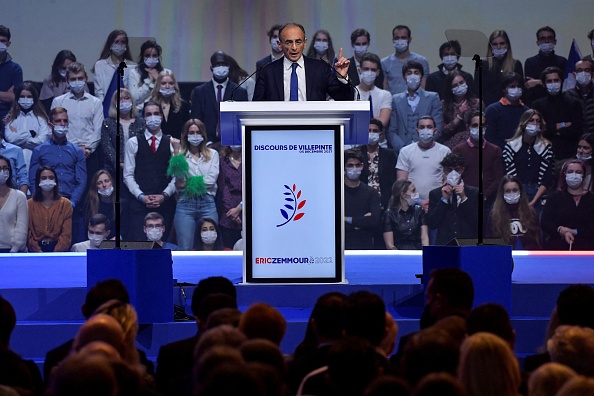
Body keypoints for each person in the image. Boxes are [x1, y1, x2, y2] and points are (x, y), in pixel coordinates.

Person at [253, 22, 353, 101]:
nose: (294, 47)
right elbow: (256, 108)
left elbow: (344, 98)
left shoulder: (320, 68)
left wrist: (342, 78)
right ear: (280, 45)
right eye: (289, 42)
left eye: (298, 42)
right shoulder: (267, 72)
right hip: (279, 126)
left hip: (313, 125)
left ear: (304, 43)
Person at [123, 101, 176, 240]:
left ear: (161, 116)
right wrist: (141, 196)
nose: (153, 117)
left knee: (162, 248)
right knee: (140, 247)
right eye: (149, 114)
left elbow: (177, 176)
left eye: (156, 113)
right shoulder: (133, 142)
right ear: (143, 118)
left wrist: (164, 195)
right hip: (139, 203)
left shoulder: (172, 143)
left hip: (165, 203)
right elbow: (128, 175)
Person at [51, 61, 104, 194]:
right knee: (66, 191)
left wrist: (87, 150)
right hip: (65, 152)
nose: (77, 82)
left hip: (89, 154)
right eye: (73, 79)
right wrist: (75, 150)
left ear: (86, 79)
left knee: (89, 193)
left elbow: (98, 131)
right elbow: (55, 127)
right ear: (67, 80)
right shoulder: (58, 101)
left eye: (80, 78)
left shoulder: (95, 102)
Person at [168, 119, 219, 250]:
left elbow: (211, 181)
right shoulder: (180, 155)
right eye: (191, 132)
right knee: (185, 246)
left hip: (207, 202)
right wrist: (176, 150)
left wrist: (186, 183)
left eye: (198, 132)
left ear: (203, 134)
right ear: (185, 135)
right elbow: (178, 177)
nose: (195, 135)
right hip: (185, 204)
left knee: (210, 244)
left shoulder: (213, 154)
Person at [29, 107, 87, 207]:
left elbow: (81, 180)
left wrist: (73, 202)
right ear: (50, 125)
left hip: (69, 200)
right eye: (58, 121)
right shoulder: (39, 150)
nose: (62, 124)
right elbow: (33, 179)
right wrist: (37, 201)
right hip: (45, 200)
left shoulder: (77, 151)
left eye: (65, 121)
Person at [191, 52, 248, 145]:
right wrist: (206, 142)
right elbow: (196, 120)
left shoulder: (239, 92)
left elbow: (242, 120)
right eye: (217, 64)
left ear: (229, 66)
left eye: (224, 64)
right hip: (206, 144)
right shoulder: (199, 92)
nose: (221, 67)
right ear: (211, 68)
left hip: (232, 144)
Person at [503, 109, 554, 211]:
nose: (535, 123)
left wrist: (534, 201)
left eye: (537, 121)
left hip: (538, 193)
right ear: (524, 123)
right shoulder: (511, 146)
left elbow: (548, 177)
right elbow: (507, 174)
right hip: (517, 193)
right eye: (531, 120)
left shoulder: (545, 147)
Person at [387, 60, 443, 153]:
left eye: (416, 73)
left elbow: (438, 127)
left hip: (427, 149)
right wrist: (402, 149)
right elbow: (392, 131)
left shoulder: (433, 97)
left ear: (421, 76)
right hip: (402, 151)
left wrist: (424, 145)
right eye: (409, 73)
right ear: (404, 77)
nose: (413, 76)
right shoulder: (396, 99)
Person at [452, 111, 503, 213]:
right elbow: (455, 177)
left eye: (482, 125)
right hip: (464, 199)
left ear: (486, 127)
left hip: (488, 201)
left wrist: (484, 195)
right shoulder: (458, 150)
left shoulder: (495, 150)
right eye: (475, 125)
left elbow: (498, 178)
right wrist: (464, 195)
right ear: (468, 127)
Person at [396, 116, 451, 210]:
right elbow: (401, 182)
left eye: (429, 127)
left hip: (438, 203)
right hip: (412, 205)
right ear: (417, 131)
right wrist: (419, 201)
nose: (425, 130)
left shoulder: (445, 151)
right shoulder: (405, 151)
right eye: (422, 127)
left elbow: (449, 180)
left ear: (435, 131)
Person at [532, 66, 583, 164]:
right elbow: (539, 130)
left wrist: (551, 128)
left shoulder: (573, 103)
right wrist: (562, 125)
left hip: (569, 155)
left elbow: (576, 129)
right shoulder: (537, 105)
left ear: (562, 81)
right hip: (544, 155)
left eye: (556, 80)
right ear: (544, 84)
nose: (553, 84)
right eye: (549, 81)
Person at [426, 152, 479, 245]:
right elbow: (432, 224)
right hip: (444, 244)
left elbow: (477, 223)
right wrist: (443, 200)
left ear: (462, 170)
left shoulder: (474, 193)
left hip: (467, 244)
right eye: (449, 170)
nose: (453, 173)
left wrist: (464, 198)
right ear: (444, 171)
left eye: (457, 170)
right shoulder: (435, 194)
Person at [541, 159, 594, 250]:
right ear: (564, 174)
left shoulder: (591, 198)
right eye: (570, 172)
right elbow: (545, 223)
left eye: (578, 172)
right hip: (557, 247)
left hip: (587, 249)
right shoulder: (554, 197)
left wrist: (575, 231)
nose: (574, 175)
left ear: (583, 175)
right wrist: (561, 231)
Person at [3, 81, 51, 176]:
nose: (25, 99)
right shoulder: (11, 118)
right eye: (22, 96)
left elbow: (42, 141)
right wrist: (32, 134)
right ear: (17, 98)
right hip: (14, 162)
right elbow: (10, 139)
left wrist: (18, 136)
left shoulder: (41, 119)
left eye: (29, 97)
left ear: (34, 98)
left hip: (35, 161)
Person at [100, 88, 145, 176]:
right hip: (114, 169)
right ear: (114, 103)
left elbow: (144, 145)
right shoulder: (108, 123)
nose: (123, 101)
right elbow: (107, 146)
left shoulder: (141, 122)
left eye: (126, 98)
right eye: (119, 99)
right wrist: (120, 164)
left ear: (131, 101)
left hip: (138, 167)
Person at [27, 166, 73, 252]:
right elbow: (28, 233)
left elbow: (66, 235)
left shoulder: (65, 204)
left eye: (51, 178)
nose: (47, 180)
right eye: (44, 178)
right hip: (35, 250)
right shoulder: (29, 204)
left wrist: (55, 254)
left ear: (56, 181)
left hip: (58, 249)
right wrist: (38, 251)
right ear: (38, 181)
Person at [489, 175, 541, 250]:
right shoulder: (494, 215)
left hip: (528, 258)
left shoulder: (531, 212)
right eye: (507, 191)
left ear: (520, 191)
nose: (511, 193)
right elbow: (491, 242)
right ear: (502, 193)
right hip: (504, 256)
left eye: (515, 190)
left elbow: (536, 241)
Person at [343, 149, 381, 250]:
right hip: (341, 246)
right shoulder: (336, 192)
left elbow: (374, 221)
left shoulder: (371, 193)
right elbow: (332, 223)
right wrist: (359, 224)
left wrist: (346, 219)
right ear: (343, 167)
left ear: (362, 166)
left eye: (357, 165)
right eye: (350, 165)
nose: (354, 168)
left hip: (365, 246)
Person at [476, 30, 524, 107]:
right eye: (495, 44)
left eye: (502, 43)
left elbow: (521, 89)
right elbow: (478, 91)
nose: (498, 47)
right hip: (489, 107)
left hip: (512, 106)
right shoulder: (482, 65)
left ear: (507, 45)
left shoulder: (516, 64)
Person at [92, 29, 135, 113]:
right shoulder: (100, 65)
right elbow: (99, 92)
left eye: (123, 42)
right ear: (110, 44)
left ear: (126, 46)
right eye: (117, 42)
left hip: (126, 108)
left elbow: (133, 92)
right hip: (105, 108)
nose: (120, 45)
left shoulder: (133, 66)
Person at [485, 72, 530, 150]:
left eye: (518, 86)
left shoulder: (527, 111)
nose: (516, 89)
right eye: (512, 86)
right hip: (499, 154)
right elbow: (490, 137)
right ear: (504, 89)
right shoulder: (493, 110)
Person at [381, 24, 430, 96]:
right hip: (393, 104)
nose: (400, 41)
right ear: (393, 40)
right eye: (397, 38)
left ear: (409, 40)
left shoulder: (421, 61)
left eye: (403, 38)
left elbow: (424, 87)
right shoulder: (384, 62)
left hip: (417, 103)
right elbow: (384, 89)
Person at [524, 27, 568, 106]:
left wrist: (538, 82)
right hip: (537, 104)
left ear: (555, 41)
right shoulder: (530, 62)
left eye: (550, 38)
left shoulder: (562, 61)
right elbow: (529, 85)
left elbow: (565, 84)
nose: (546, 41)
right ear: (537, 42)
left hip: (560, 104)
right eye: (543, 38)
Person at [438, 70, 482, 149]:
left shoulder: (476, 103)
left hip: (473, 146)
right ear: (450, 88)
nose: (459, 86)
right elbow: (442, 131)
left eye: (461, 83)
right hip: (451, 146)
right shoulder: (443, 105)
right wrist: (459, 117)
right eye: (455, 85)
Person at [359, 119, 396, 209]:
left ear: (381, 134)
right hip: (361, 201)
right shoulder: (357, 153)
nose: (371, 133)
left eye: (375, 131)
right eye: (368, 131)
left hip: (383, 202)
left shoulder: (389, 154)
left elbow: (392, 180)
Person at [382, 179, 428, 250]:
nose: (416, 193)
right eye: (413, 191)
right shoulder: (389, 214)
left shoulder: (419, 210)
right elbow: (389, 244)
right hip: (399, 253)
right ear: (403, 195)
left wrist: (426, 253)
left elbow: (424, 238)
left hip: (417, 251)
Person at [127, 40, 170, 112]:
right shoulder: (134, 73)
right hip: (140, 111)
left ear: (158, 57)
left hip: (162, 110)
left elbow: (169, 96)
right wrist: (149, 82)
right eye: (147, 55)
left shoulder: (166, 73)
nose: (151, 58)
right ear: (142, 57)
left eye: (154, 56)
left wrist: (158, 80)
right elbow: (134, 99)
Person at [149, 70, 190, 140]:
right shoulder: (150, 106)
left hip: (178, 145)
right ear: (158, 85)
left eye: (171, 83)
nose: (167, 86)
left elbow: (186, 129)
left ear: (175, 85)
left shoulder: (183, 105)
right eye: (163, 83)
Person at [355, 53, 392, 127]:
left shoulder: (385, 95)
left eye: (373, 70)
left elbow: (382, 122)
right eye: (366, 69)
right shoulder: (350, 93)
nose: (369, 72)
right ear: (359, 70)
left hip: (378, 137)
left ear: (377, 73)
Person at [0, 155, 27, 252]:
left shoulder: (19, 196)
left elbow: (21, 227)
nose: (2, 172)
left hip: (13, 250)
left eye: (5, 168)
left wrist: (14, 251)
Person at [0, 25, 23, 127]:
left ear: (8, 43)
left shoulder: (15, 69)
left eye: (3, 40)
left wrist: (11, 97)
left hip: (7, 117)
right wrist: (6, 95)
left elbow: (15, 98)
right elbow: (9, 96)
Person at [564, 59, 594, 135]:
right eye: (579, 70)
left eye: (587, 70)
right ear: (574, 74)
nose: (583, 73)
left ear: (592, 74)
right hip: (576, 140)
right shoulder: (567, 95)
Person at [84, 169, 116, 238]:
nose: (104, 185)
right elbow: (86, 229)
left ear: (112, 182)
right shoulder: (90, 205)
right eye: (99, 183)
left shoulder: (123, 204)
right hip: (95, 240)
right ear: (95, 186)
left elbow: (125, 229)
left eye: (107, 181)